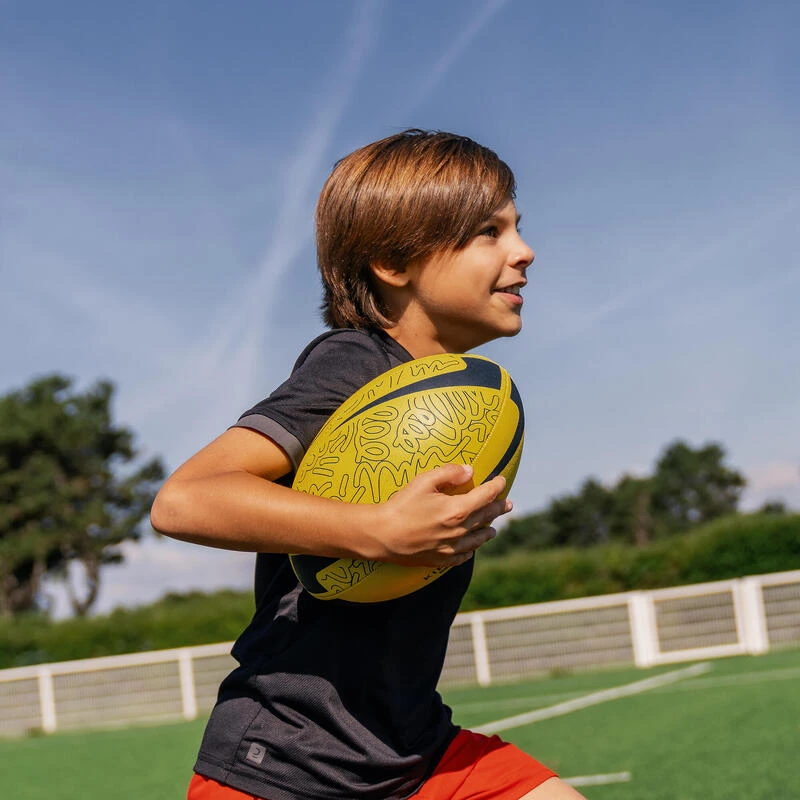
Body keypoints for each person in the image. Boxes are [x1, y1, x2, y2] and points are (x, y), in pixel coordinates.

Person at [151, 129, 586, 800]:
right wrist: (380, 530)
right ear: (392, 261)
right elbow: (185, 499)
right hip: (289, 768)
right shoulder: (356, 363)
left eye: (518, 228)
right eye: (487, 233)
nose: (524, 252)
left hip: (415, 751)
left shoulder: (453, 396)